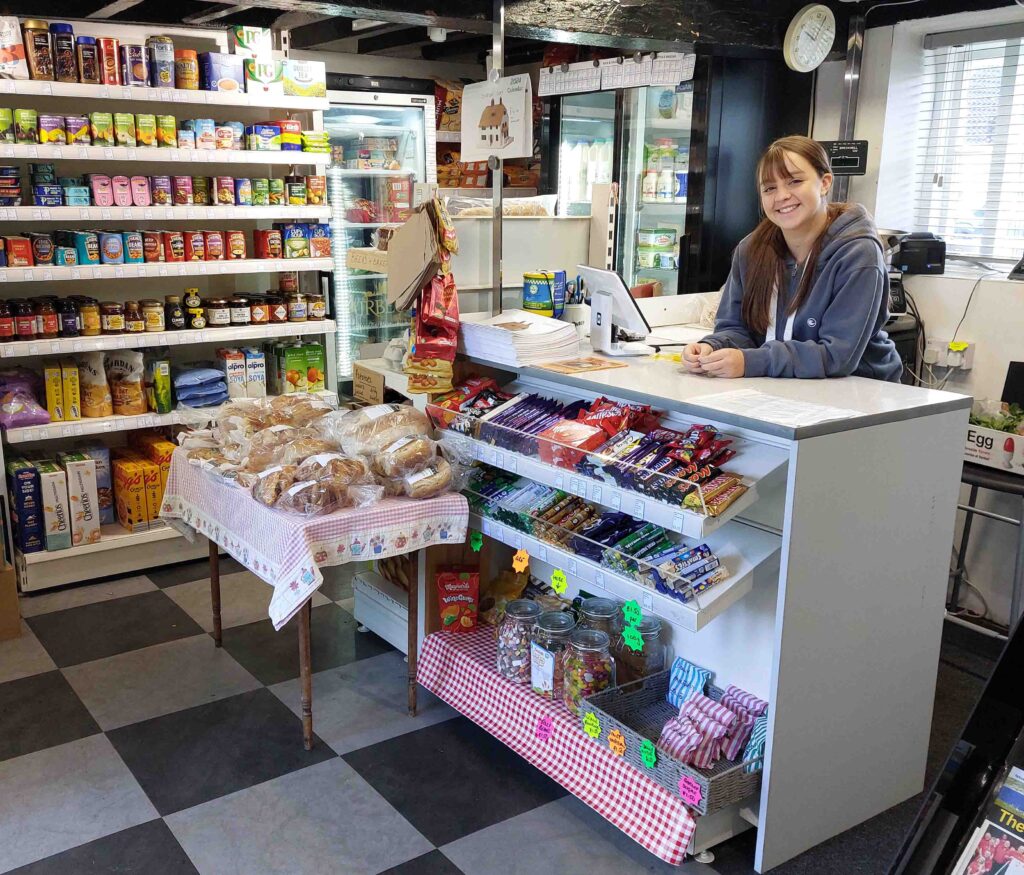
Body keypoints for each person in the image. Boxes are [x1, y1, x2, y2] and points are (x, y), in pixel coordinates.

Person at [683, 135, 902, 381]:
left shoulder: (857, 253)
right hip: (781, 386)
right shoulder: (751, 250)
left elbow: (837, 356)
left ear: (824, 183)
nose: (782, 196)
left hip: (861, 392)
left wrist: (752, 361)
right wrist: (713, 347)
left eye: (795, 181)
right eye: (769, 188)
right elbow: (736, 329)